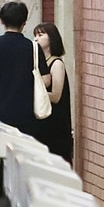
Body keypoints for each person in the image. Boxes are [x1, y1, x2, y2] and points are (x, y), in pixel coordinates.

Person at [0, 1, 45, 138]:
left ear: (2, 21)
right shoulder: (33, 48)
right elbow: (46, 79)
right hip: (27, 114)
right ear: (24, 22)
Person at [33, 22, 73, 163]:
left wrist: (34, 94)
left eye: (40, 35)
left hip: (56, 123)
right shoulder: (40, 63)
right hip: (44, 122)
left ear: (51, 38)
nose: (36, 39)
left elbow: (56, 96)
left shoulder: (56, 64)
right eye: (35, 35)